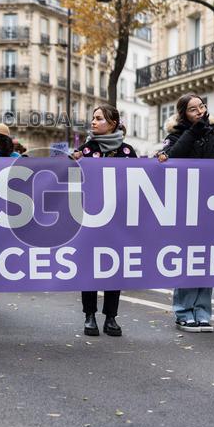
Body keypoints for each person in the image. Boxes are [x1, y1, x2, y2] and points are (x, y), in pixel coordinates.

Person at [158, 93, 214, 332]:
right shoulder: (175, 137)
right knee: (188, 261)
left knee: (205, 262)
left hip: (210, 212)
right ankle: (184, 311)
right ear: (183, 114)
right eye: (192, 109)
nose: (199, 111)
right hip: (185, 210)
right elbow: (170, 159)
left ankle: (202, 311)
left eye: (202, 106)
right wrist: (193, 132)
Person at [71, 105, 137, 337]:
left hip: (117, 221)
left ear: (112, 123)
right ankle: (89, 315)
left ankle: (111, 317)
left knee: (114, 269)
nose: (93, 122)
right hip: (90, 220)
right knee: (89, 267)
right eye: (93, 118)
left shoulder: (128, 152)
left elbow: (138, 184)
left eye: (99, 118)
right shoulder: (85, 151)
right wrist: (73, 160)